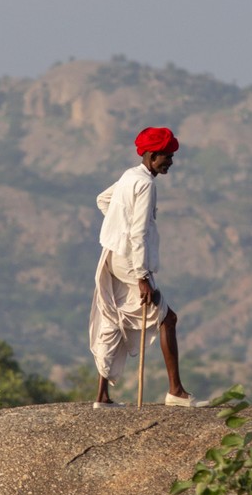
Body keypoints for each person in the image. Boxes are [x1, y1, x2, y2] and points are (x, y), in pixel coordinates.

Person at [89, 126, 208, 408]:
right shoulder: (146, 184)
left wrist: (120, 224)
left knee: (112, 318)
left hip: (113, 255)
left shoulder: (130, 175)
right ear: (153, 156)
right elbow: (139, 232)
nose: (171, 162)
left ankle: (102, 396)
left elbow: (103, 200)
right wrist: (142, 276)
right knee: (167, 318)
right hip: (131, 262)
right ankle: (176, 392)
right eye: (167, 157)